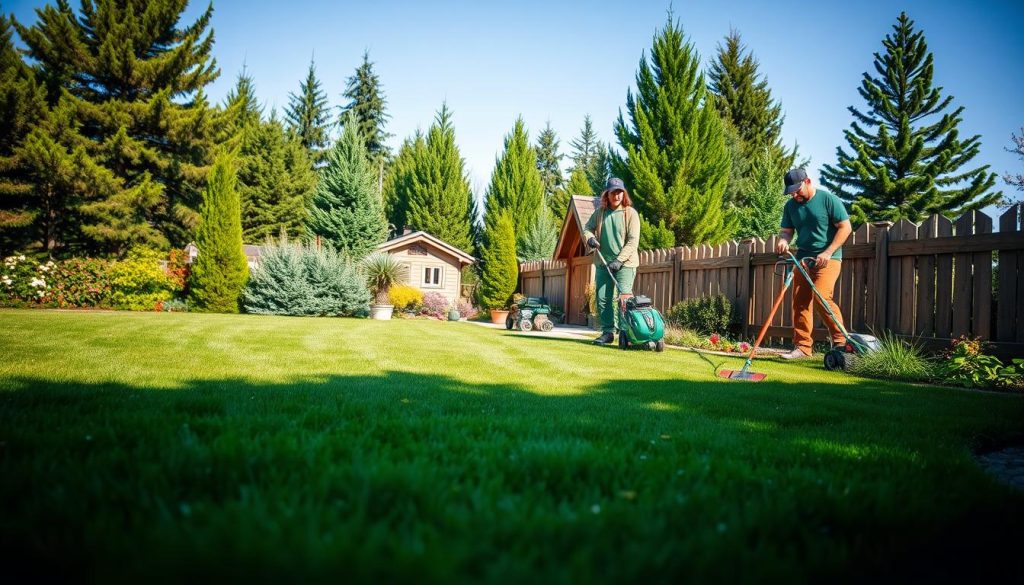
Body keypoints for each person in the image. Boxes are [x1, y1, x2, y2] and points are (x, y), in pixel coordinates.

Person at [775, 169, 853, 359]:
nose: (794, 195)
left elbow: (846, 227)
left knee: (822, 297)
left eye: (797, 190)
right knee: (800, 302)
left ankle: (841, 343)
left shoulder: (828, 199)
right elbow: (786, 231)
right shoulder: (791, 206)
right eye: (791, 192)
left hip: (829, 258)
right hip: (803, 258)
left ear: (808, 181)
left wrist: (827, 252)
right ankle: (802, 348)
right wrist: (784, 240)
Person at [583, 177, 640, 345]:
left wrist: (619, 260)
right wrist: (590, 238)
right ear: (606, 195)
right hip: (603, 263)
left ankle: (625, 332)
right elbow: (587, 228)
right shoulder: (600, 213)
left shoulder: (630, 214)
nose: (616, 196)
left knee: (624, 299)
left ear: (624, 194)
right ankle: (608, 332)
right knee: (602, 299)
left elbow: (632, 241)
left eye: (619, 192)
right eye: (613, 192)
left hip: (625, 264)